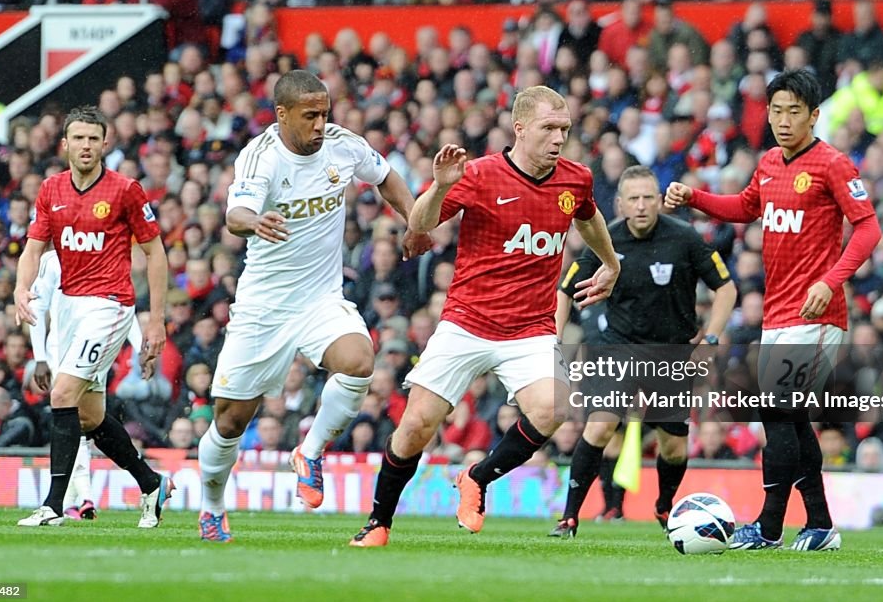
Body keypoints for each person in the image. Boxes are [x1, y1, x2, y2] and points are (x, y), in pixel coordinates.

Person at [349, 86, 621, 548]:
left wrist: (611, 263)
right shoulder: (478, 175)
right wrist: (439, 186)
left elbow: (588, 217)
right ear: (519, 128)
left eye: (565, 130)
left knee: (555, 406)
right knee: (416, 426)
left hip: (530, 328)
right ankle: (378, 522)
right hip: (466, 321)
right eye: (549, 129)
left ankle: (477, 477)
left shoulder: (575, 179)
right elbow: (419, 225)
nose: (559, 138)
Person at [197, 70, 429, 542]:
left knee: (360, 360)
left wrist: (415, 221)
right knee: (230, 419)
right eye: (310, 116)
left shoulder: (343, 145)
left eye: (324, 113)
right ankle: (212, 505)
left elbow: (385, 177)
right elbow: (234, 214)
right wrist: (255, 221)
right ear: (282, 115)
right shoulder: (260, 157)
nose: (320, 124)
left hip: (320, 298)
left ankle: (311, 451)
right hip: (264, 306)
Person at [665, 69, 881, 551]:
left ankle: (767, 528)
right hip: (780, 314)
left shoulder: (833, 165)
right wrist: (693, 196)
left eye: (794, 112)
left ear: (814, 115)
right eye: (776, 110)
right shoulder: (768, 162)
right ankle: (821, 525)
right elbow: (745, 207)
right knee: (790, 421)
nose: (783, 120)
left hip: (818, 316)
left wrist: (830, 281)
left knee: (775, 411)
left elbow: (868, 230)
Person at [549, 165, 736, 538]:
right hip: (619, 350)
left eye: (648, 197)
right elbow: (564, 290)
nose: (640, 206)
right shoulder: (607, 240)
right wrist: (553, 340)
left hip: (672, 353)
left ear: (660, 201)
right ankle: (569, 518)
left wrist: (711, 340)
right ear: (619, 204)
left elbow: (726, 289)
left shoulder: (685, 238)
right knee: (600, 427)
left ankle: (665, 506)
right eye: (632, 198)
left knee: (673, 448)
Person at [14, 105, 172, 528]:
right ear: (65, 144)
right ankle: (152, 483)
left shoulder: (125, 190)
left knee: (61, 394)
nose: (86, 146)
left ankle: (52, 505)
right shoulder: (51, 190)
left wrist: (156, 320)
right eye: (78, 138)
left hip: (109, 305)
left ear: (105, 143)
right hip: (69, 308)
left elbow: (155, 253)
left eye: (93, 138)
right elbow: (33, 248)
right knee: (87, 416)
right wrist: (20, 288)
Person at [26, 247, 145, 520]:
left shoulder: (103, 254)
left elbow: (123, 304)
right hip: (60, 350)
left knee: (80, 419)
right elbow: (38, 306)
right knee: (86, 420)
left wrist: (139, 348)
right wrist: (41, 358)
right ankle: (142, 484)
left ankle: (66, 500)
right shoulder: (52, 261)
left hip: (94, 345)